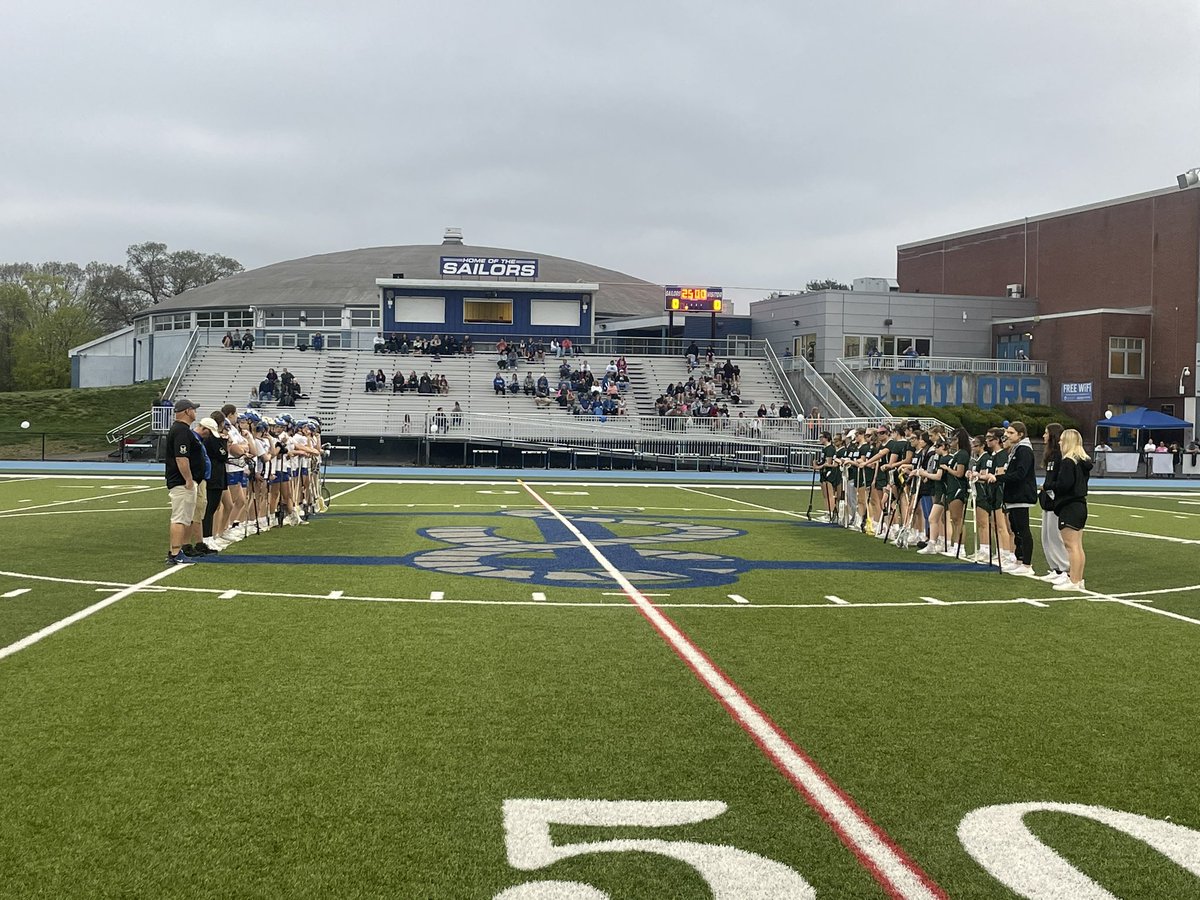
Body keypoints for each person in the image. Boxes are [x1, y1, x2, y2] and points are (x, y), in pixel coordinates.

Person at [992, 421, 1038, 576]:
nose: (1007, 435)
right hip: (1013, 495)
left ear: (1020, 434)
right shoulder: (1015, 450)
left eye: (1011, 433)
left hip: (1021, 494)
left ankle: (1027, 563)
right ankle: (1019, 559)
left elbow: (1020, 473)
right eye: (1008, 432)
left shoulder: (1024, 450)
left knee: (1023, 529)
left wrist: (1000, 477)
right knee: (1016, 528)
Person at [1052, 429, 1093, 591]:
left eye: (1062, 440)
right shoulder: (1082, 461)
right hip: (1080, 505)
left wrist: (1051, 486)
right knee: (1076, 545)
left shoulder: (1069, 462)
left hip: (1070, 505)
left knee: (1071, 546)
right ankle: (1077, 578)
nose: (1059, 443)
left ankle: (1074, 581)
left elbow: (1064, 485)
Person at [164, 399, 204, 565]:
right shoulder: (181, 431)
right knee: (180, 517)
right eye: (193, 409)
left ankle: (176, 550)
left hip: (183, 480)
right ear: (187, 411)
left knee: (184, 517)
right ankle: (175, 552)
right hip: (181, 481)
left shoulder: (182, 430)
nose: (195, 412)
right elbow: (182, 458)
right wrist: (188, 479)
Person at [1037, 423, 1071, 583]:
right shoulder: (1050, 455)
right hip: (1047, 500)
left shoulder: (1060, 456)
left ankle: (1065, 569)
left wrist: (1048, 489)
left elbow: (1058, 481)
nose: (1043, 436)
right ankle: (1055, 567)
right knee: (1046, 536)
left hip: (1055, 501)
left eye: (1046, 433)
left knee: (1056, 537)